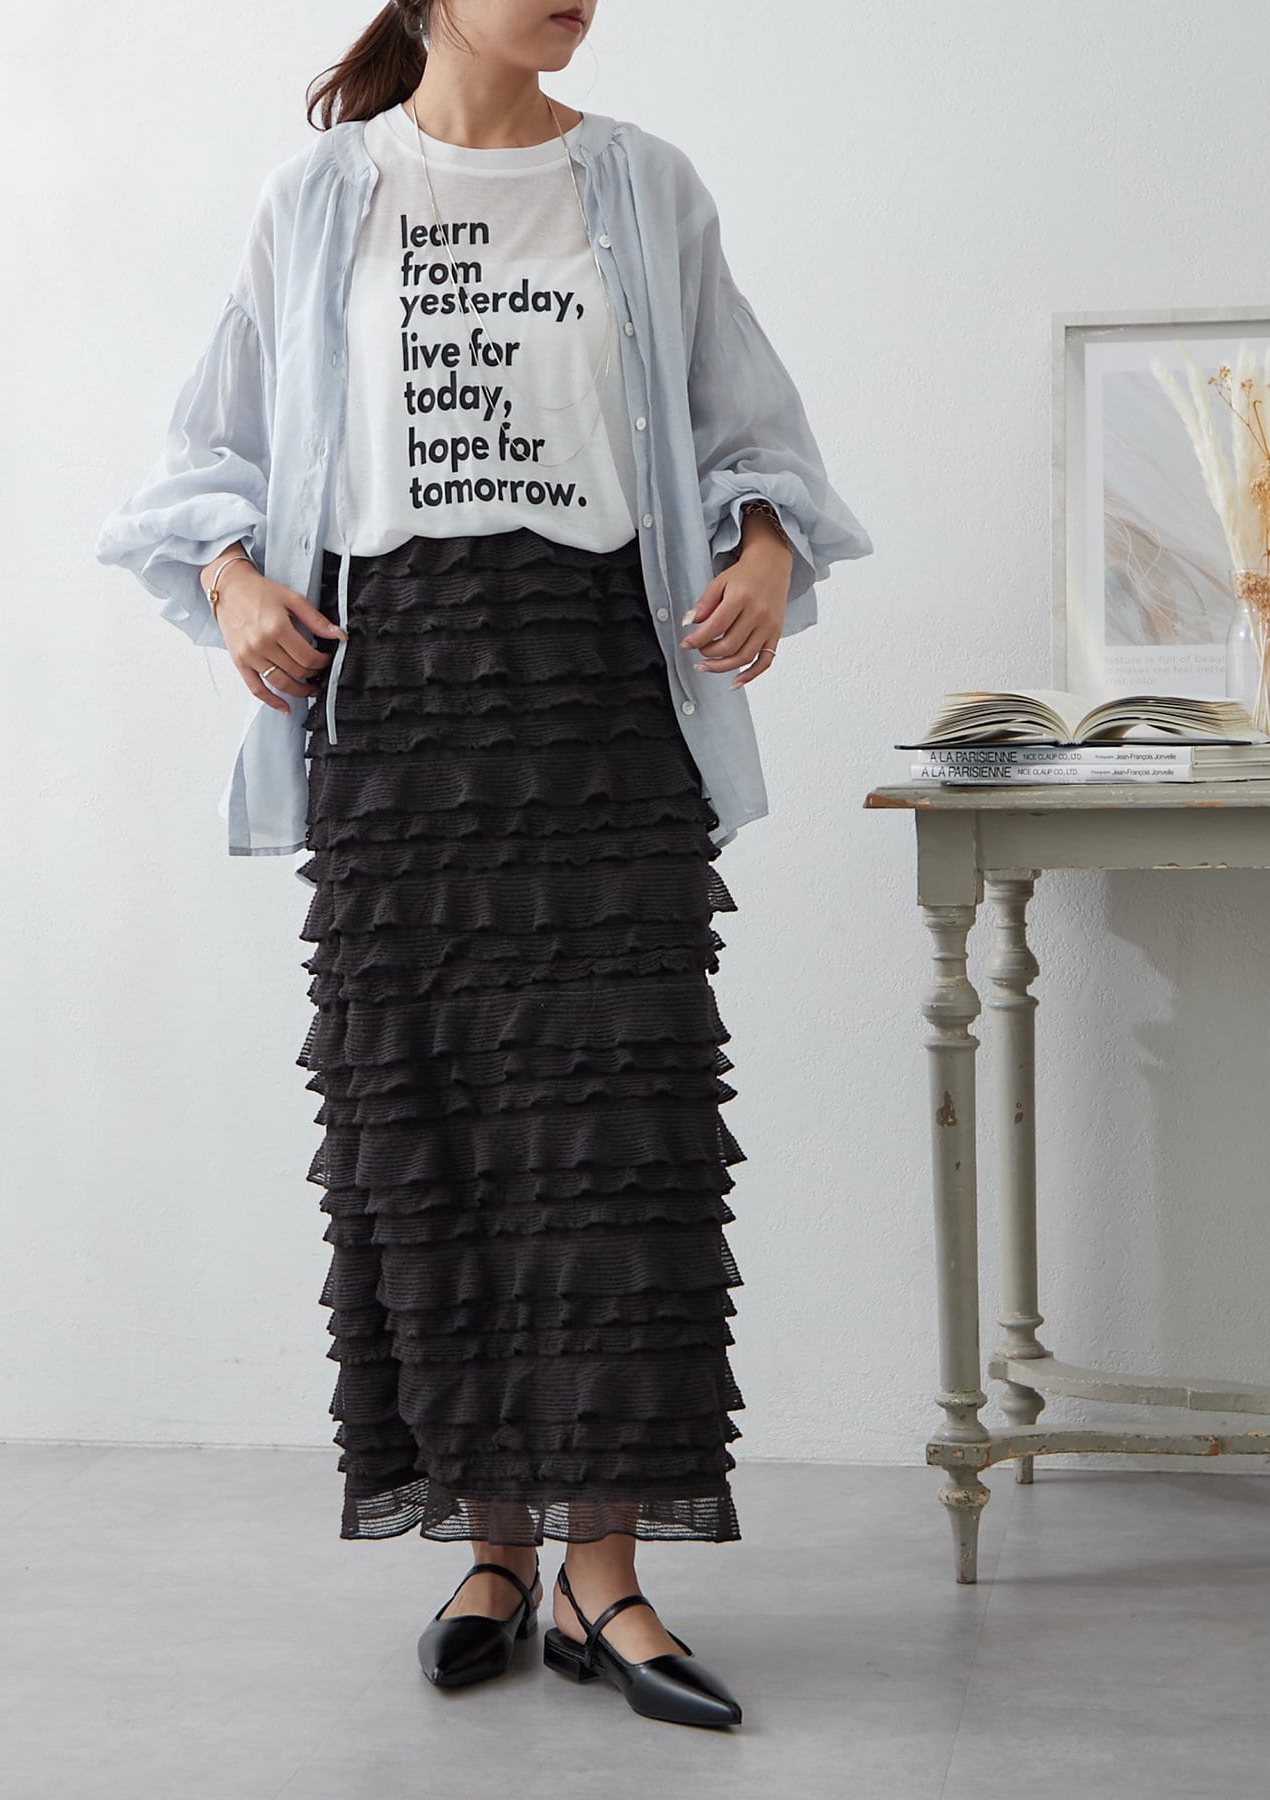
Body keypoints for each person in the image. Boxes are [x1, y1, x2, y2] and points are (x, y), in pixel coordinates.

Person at [96, 0, 873, 1732]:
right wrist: (231, 581)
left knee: (615, 1135)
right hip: (402, 699)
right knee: (431, 1128)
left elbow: (747, 429)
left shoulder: (645, 186)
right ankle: (491, 1549)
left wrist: (758, 551)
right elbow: (205, 456)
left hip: (597, 690)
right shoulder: (321, 197)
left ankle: (609, 1572)